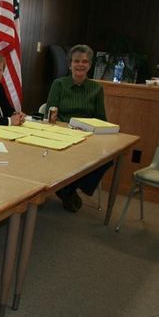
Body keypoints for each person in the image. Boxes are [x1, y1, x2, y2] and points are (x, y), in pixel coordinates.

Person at [46, 44, 111, 212]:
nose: (80, 65)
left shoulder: (96, 88)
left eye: (85, 61)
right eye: (76, 61)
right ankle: (67, 188)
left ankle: (69, 188)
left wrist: (89, 129)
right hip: (61, 132)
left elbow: (101, 118)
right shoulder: (59, 84)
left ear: (90, 65)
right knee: (69, 154)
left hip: (87, 136)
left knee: (107, 158)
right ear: (70, 64)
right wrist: (68, 128)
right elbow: (50, 113)